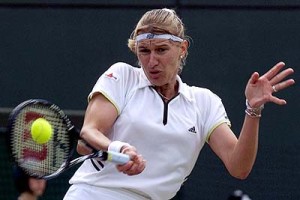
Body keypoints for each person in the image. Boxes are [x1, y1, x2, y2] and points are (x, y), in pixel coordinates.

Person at [63, 8, 295, 200]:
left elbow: (239, 168)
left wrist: (253, 109)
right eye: (144, 51)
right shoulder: (121, 76)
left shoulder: (205, 103)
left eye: (161, 50)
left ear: (182, 49)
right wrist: (119, 148)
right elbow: (90, 132)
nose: (152, 61)